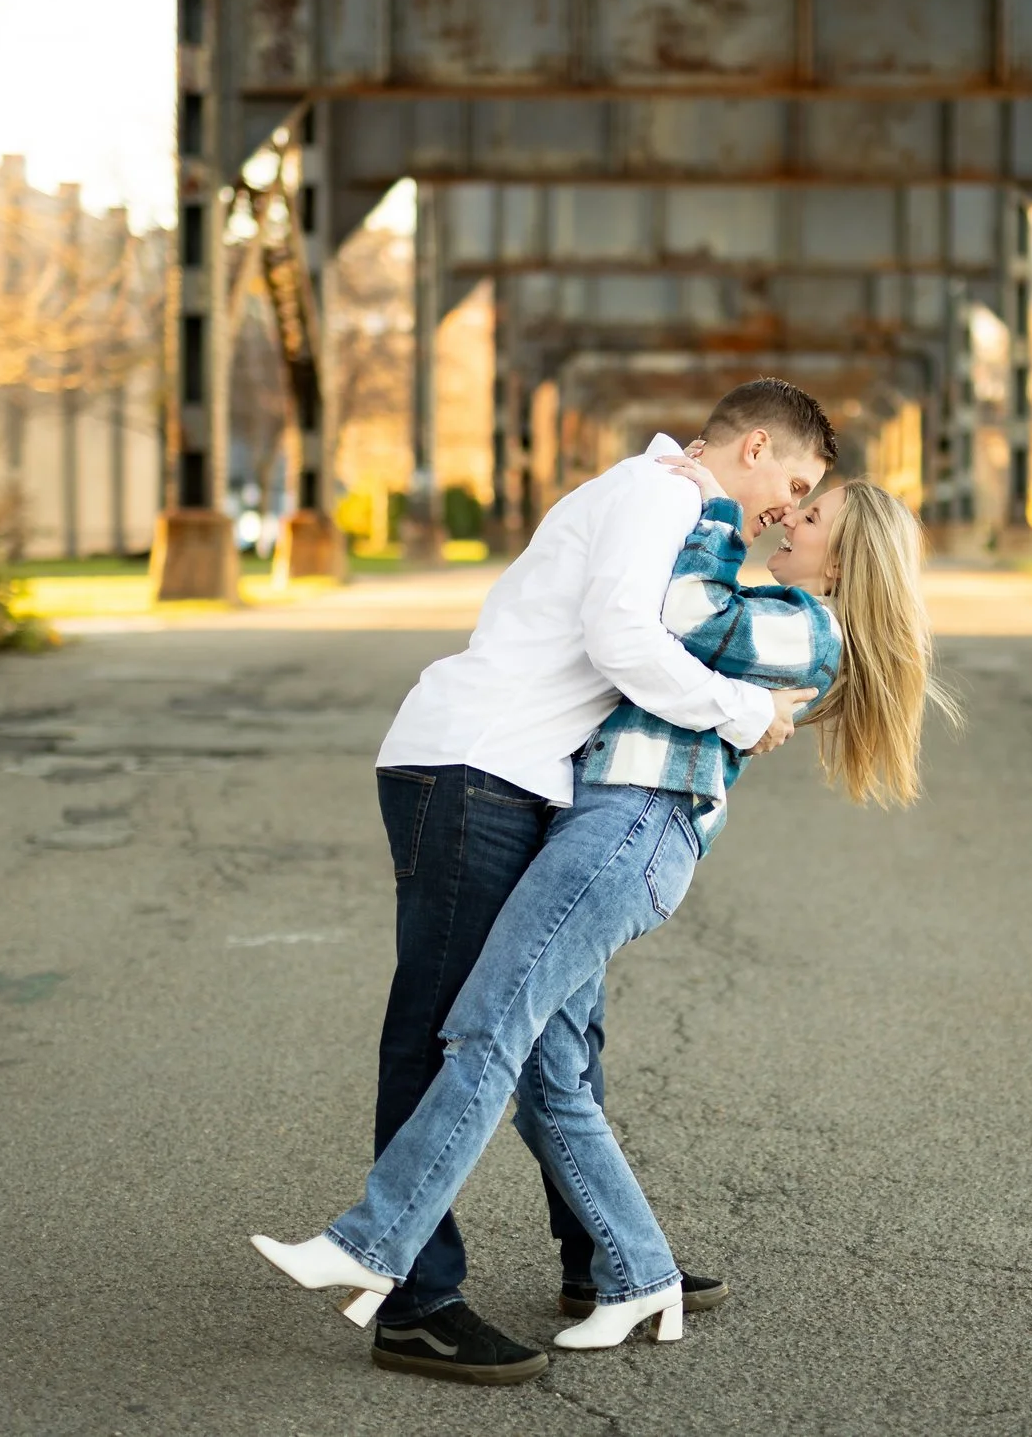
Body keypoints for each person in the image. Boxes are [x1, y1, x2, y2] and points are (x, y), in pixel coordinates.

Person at [252, 471, 944, 1364]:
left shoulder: (804, 627)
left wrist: (715, 503)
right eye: (799, 505)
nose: (793, 520)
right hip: (604, 827)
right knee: (550, 1072)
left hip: (632, 829)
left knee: (487, 1026)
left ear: (845, 557)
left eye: (813, 517)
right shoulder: (783, 611)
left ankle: (370, 1243)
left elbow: (690, 612)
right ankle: (638, 1274)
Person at [312, 380, 839, 1386]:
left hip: (523, 772)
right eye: (798, 484)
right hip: (478, 764)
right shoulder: (663, 495)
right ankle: (417, 1301)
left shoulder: (678, 501)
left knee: (557, 1026)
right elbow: (627, 641)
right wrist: (740, 710)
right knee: (446, 1023)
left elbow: (680, 615)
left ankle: (600, 1255)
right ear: (760, 444)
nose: (790, 506)